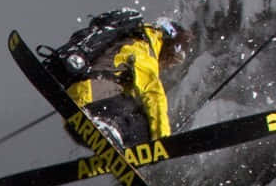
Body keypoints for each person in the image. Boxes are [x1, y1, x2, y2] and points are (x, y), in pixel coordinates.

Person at [57, 14, 189, 148]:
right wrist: (163, 142)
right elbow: (153, 93)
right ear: (169, 45)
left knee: (133, 110)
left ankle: (115, 143)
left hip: (75, 119)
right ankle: (111, 128)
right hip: (93, 108)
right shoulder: (142, 47)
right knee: (141, 116)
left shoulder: (123, 40)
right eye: (171, 59)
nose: (166, 64)